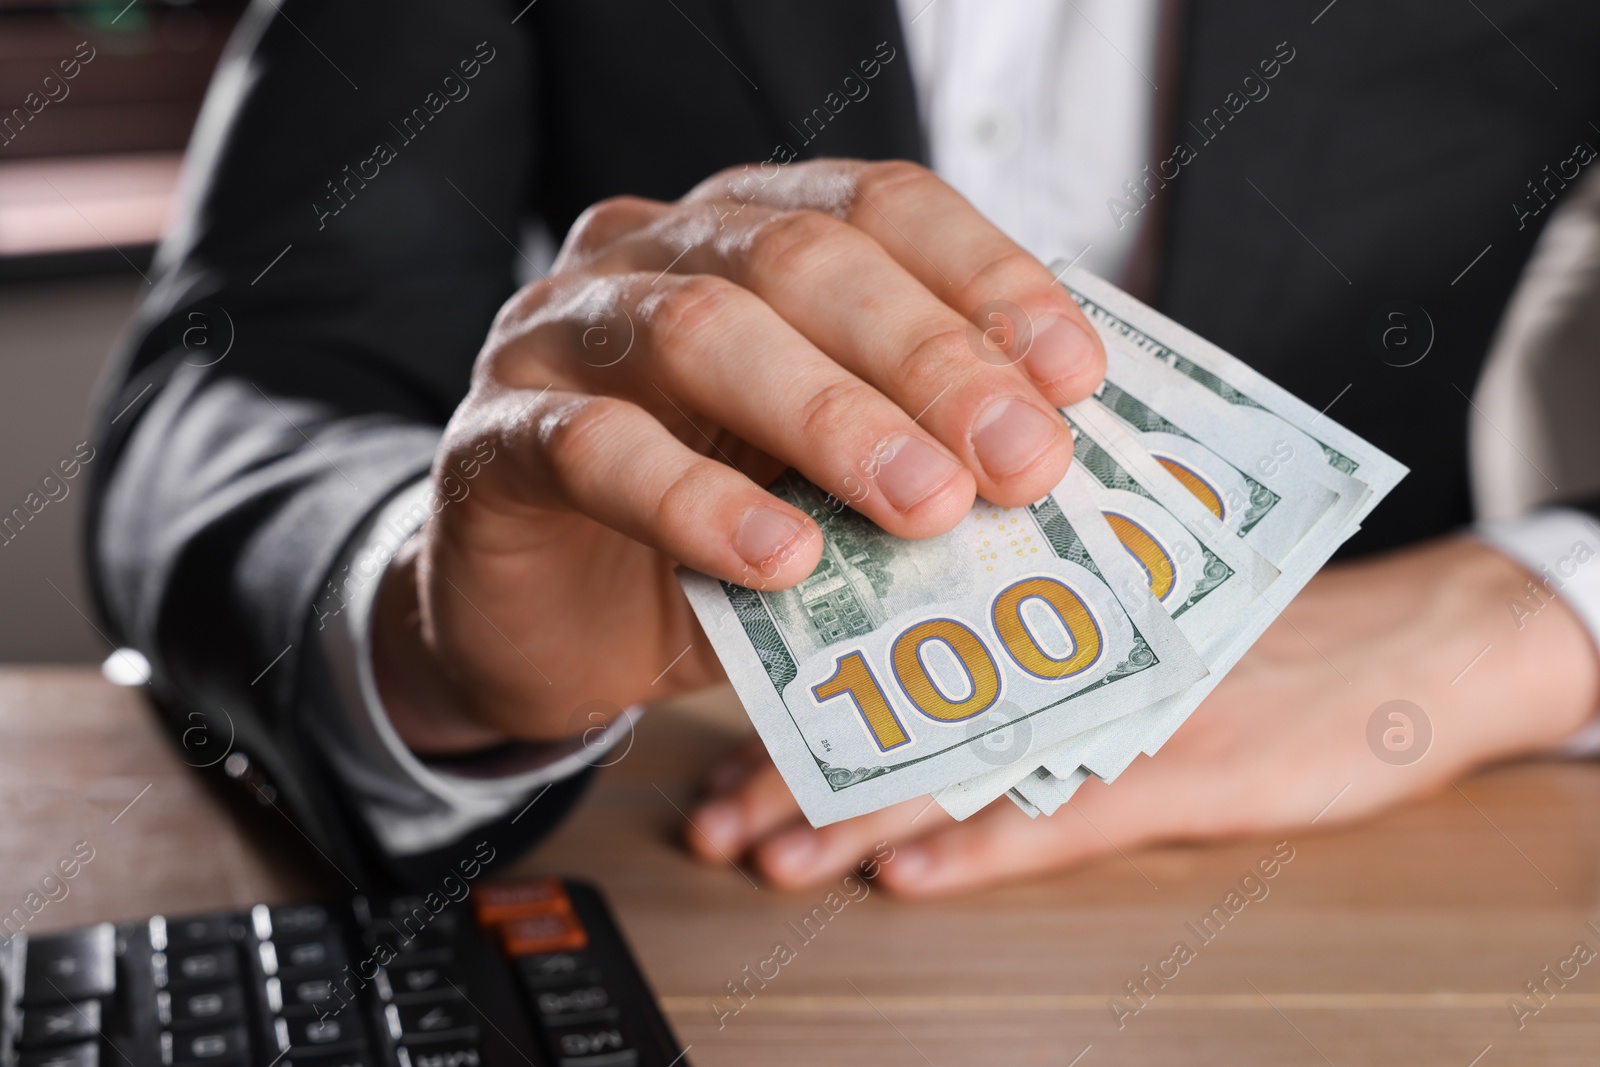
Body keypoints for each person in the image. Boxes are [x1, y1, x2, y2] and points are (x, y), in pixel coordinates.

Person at [88, 0, 1600, 891]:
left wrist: (1529, 612)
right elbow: (238, 378)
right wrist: (423, 624)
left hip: (1407, 847)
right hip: (696, 836)